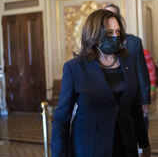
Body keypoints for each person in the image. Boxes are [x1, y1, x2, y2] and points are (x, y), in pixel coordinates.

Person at [51, 9, 151, 157]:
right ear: (94, 34)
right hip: (91, 147)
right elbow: (61, 119)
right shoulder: (74, 68)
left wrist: (144, 143)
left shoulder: (127, 62)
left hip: (126, 145)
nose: (115, 37)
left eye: (117, 32)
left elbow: (135, 108)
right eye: (109, 33)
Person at [105, 4, 151, 130]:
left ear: (119, 17)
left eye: (112, 15)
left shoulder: (134, 42)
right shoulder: (99, 43)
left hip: (133, 95)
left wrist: (145, 100)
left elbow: (142, 72)